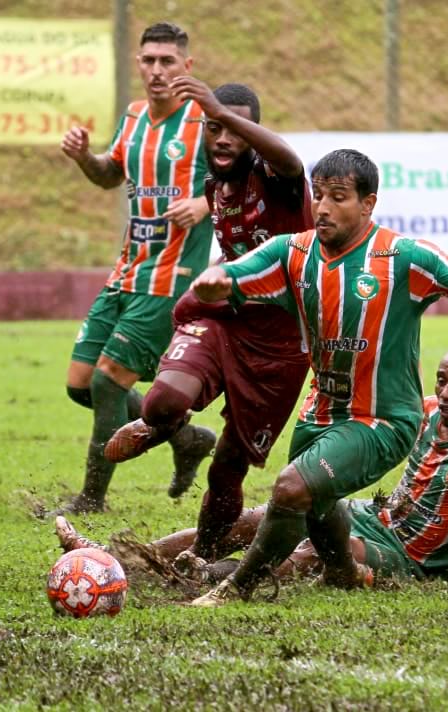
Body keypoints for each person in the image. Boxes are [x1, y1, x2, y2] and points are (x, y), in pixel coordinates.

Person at [183, 149, 448, 606]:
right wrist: (215, 281)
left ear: (368, 203)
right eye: (318, 194)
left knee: (291, 487)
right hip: (320, 410)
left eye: (338, 197)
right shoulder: (294, 253)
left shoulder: (402, 257)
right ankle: (343, 570)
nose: (322, 207)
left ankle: (235, 588)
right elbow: (237, 271)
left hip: (382, 419)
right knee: (316, 505)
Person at [54, 344, 448, 585]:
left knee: (314, 548)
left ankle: (204, 578)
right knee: (258, 516)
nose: (444, 393)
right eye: (441, 380)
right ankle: (118, 561)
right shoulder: (422, 414)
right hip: (377, 519)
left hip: (413, 562)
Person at [103, 80, 313, 559]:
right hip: (226, 321)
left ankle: (203, 557)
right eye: (213, 126)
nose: (222, 138)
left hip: (280, 346)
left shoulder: (277, 177)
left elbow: (292, 160)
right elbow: (238, 248)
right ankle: (168, 429)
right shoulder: (214, 184)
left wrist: (224, 112)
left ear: (252, 133)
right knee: (163, 400)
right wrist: (216, 275)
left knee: (229, 468)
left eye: (234, 129)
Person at [58, 22, 216, 513]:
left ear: (187, 67)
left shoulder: (204, 122)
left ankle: (91, 499)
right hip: (127, 270)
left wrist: (203, 203)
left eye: (167, 61)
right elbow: (110, 175)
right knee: (81, 385)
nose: (156, 70)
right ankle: (183, 438)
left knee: (109, 381)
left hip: (171, 278)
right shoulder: (132, 117)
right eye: (148, 61)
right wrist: (86, 157)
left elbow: (246, 177)